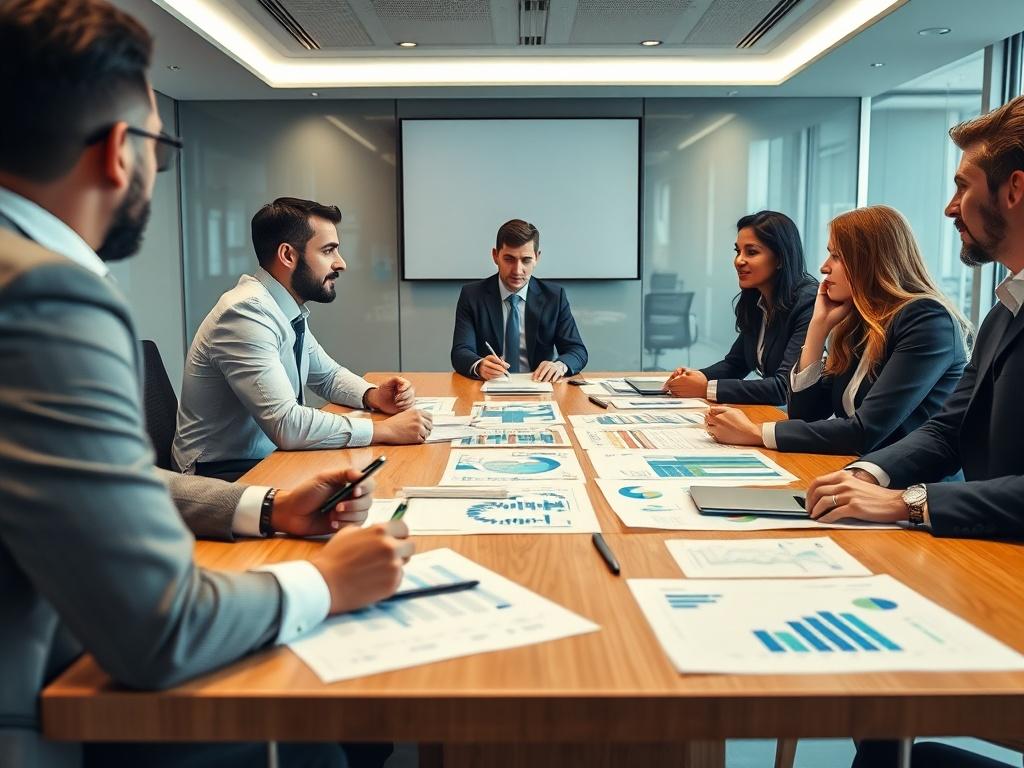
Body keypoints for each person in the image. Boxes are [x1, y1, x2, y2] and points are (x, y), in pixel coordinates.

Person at [0, 2, 411, 766]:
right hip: (42, 698)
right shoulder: (46, 296)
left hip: (140, 555)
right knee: (311, 721)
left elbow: (92, 482)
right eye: (164, 146)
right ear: (121, 151)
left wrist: (262, 506)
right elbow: (160, 627)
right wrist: (326, 585)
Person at [173, 197, 432, 481]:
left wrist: (373, 395)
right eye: (328, 250)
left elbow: (328, 376)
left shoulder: (282, 309)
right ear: (287, 255)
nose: (341, 263)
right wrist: (384, 430)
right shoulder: (246, 314)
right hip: (221, 473)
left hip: (266, 456)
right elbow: (287, 424)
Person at [704, 205, 969, 457]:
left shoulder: (926, 320)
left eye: (836, 256)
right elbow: (805, 414)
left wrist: (756, 432)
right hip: (855, 474)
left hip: (911, 490)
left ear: (870, 262)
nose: (823, 267)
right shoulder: (858, 324)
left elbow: (865, 431)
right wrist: (817, 330)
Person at [662, 210, 817, 405]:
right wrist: (698, 377)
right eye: (738, 251)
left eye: (751, 252)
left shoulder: (808, 302)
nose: (739, 261)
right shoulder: (758, 300)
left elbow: (783, 388)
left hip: (800, 423)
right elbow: (736, 364)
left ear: (780, 258)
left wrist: (706, 389)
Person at [451, 218, 588, 382]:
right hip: (490, 387)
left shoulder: (554, 296)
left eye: (526, 260)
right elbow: (460, 351)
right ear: (495, 256)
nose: (517, 270)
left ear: (537, 258)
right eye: (509, 259)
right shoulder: (472, 295)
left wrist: (559, 365)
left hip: (539, 387)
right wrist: (480, 365)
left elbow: (577, 350)